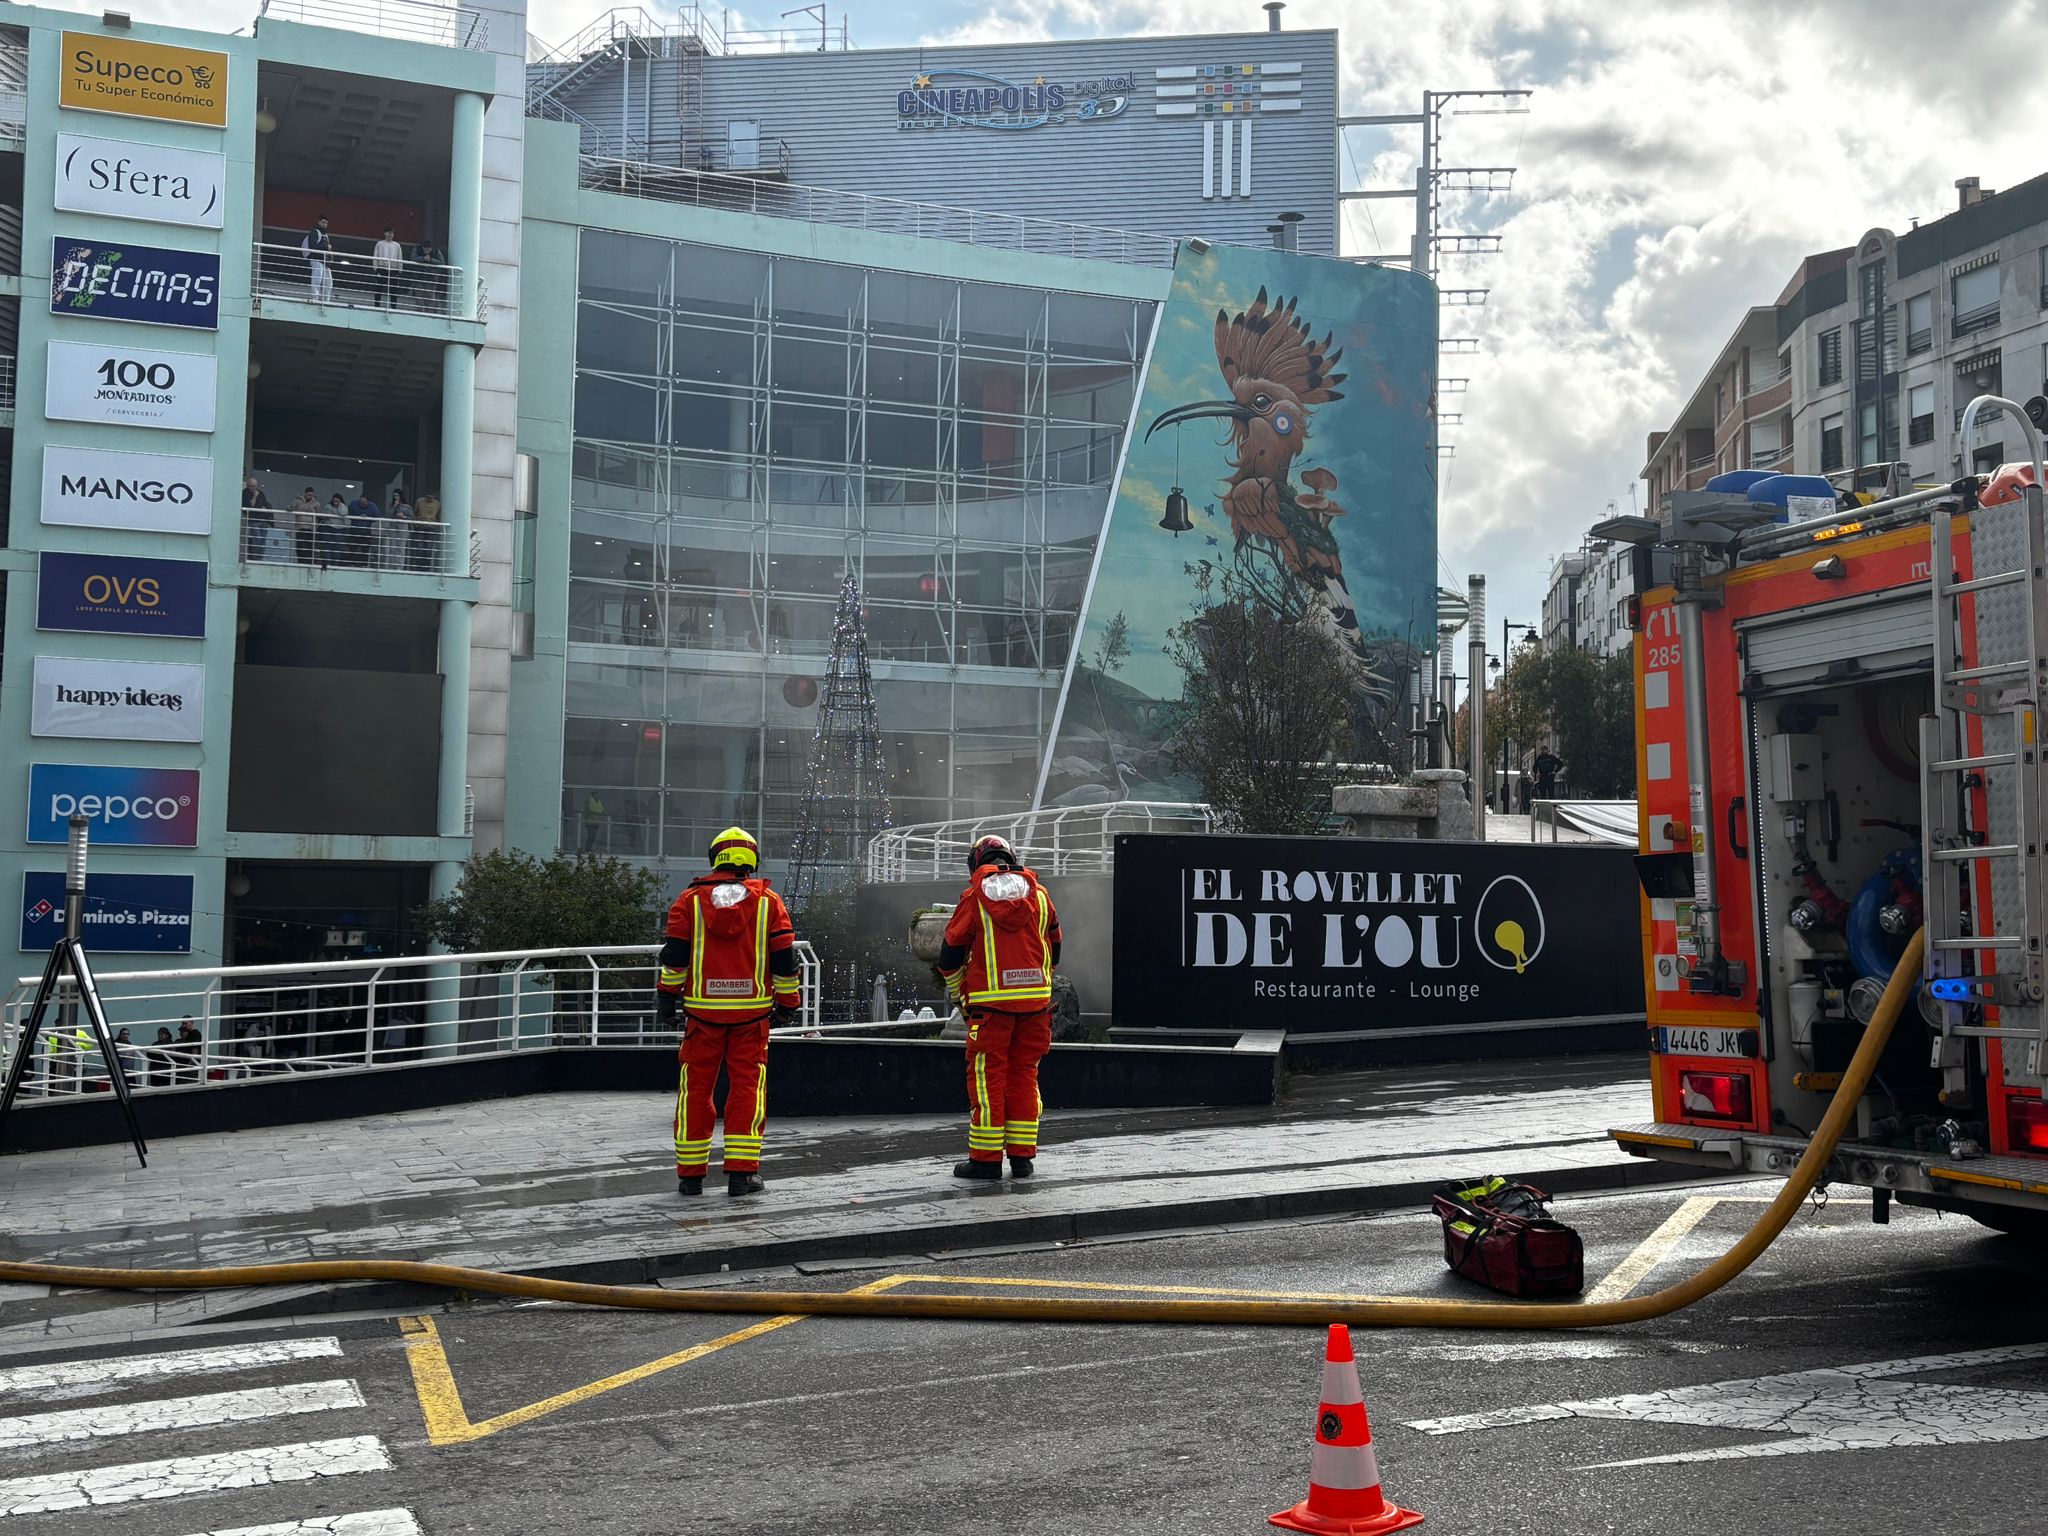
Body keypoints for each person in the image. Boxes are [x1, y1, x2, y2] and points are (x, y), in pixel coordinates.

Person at [655, 826, 802, 1198]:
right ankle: (742, 1175)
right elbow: (785, 964)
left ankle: (690, 1177)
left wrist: (666, 999)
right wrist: (788, 1005)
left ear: (714, 858)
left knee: (695, 1091)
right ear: (752, 860)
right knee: (747, 1090)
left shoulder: (688, 902)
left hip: (702, 1017)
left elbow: (675, 959)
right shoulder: (769, 903)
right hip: (751, 1018)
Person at [936, 834, 1062, 1182]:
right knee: (1025, 1074)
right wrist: (1036, 983)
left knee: (987, 1078)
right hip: (1035, 1007)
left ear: (976, 864)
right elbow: (1055, 945)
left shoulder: (975, 897)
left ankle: (986, 1160)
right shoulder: (1040, 895)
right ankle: (1022, 1159)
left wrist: (961, 997)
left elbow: (949, 957)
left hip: (991, 1009)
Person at [301, 215, 335, 303]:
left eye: (326, 223)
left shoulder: (325, 235)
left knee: (328, 283)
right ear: (318, 222)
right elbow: (313, 247)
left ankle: (326, 301)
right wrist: (326, 247)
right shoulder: (314, 232)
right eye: (323, 222)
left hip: (324, 261)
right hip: (316, 259)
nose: (324, 224)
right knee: (317, 280)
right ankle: (315, 299)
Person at [346, 489, 382, 567]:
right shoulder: (353, 504)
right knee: (352, 548)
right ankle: (351, 564)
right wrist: (357, 517)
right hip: (354, 530)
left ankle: (364, 565)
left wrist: (368, 518)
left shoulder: (372, 507)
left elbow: (376, 517)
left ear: (368, 502)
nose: (361, 505)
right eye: (360, 503)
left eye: (363, 503)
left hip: (365, 532)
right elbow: (348, 514)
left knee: (365, 549)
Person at [242, 475, 274, 561]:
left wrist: (266, 509)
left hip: (263, 519)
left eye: (255, 486)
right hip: (254, 520)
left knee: (262, 540)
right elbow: (250, 505)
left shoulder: (261, 493)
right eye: (252, 486)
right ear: (248, 485)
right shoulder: (245, 493)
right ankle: (254, 558)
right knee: (256, 538)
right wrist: (255, 496)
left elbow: (265, 503)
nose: (254, 488)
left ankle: (260, 559)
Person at [372, 226, 404, 308]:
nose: (391, 235)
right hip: (381, 268)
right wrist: (375, 268)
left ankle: (393, 307)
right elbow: (375, 256)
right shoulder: (380, 244)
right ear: (385, 234)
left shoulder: (397, 245)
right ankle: (377, 306)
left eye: (392, 233)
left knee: (393, 290)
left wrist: (399, 270)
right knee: (379, 288)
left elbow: (400, 258)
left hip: (393, 269)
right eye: (389, 233)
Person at [382, 488, 413, 569]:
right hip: (393, 525)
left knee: (401, 547)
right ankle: (391, 565)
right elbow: (388, 515)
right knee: (392, 547)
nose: (396, 497)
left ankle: (399, 567)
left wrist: (404, 517)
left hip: (403, 526)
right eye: (394, 496)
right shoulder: (391, 505)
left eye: (397, 496)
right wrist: (394, 506)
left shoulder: (407, 506)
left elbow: (412, 517)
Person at [413, 488, 443, 572]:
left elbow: (438, 516)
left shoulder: (437, 504)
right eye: (428, 497)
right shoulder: (420, 501)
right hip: (420, 526)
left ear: (434, 497)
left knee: (428, 548)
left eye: (431, 497)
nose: (429, 499)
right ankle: (418, 566)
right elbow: (415, 512)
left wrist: (435, 526)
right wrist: (416, 523)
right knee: (419, 547)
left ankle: (426, 567)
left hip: (431, 528)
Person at [318, 493, 349, 567]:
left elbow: (343, 513)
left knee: (337, 548)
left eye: (337, 501)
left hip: (339, 529)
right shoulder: (328, 506)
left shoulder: (344, 506)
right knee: (327, 547)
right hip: (328, 527)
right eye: (335, 501)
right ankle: (327, 564)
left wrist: (339, 505)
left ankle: (335, 565)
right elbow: (324, 516)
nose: (335, 502)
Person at [176, 1017, 204, 1084]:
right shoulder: (189, 1034)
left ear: (191, 1023)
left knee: (189, 1083)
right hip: (186, 1064)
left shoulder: (195, 1034)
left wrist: (188, 1066)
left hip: (191, 1066)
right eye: (182, 1024)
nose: (184, 1026)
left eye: (185, 1023)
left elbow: (195, 1052)